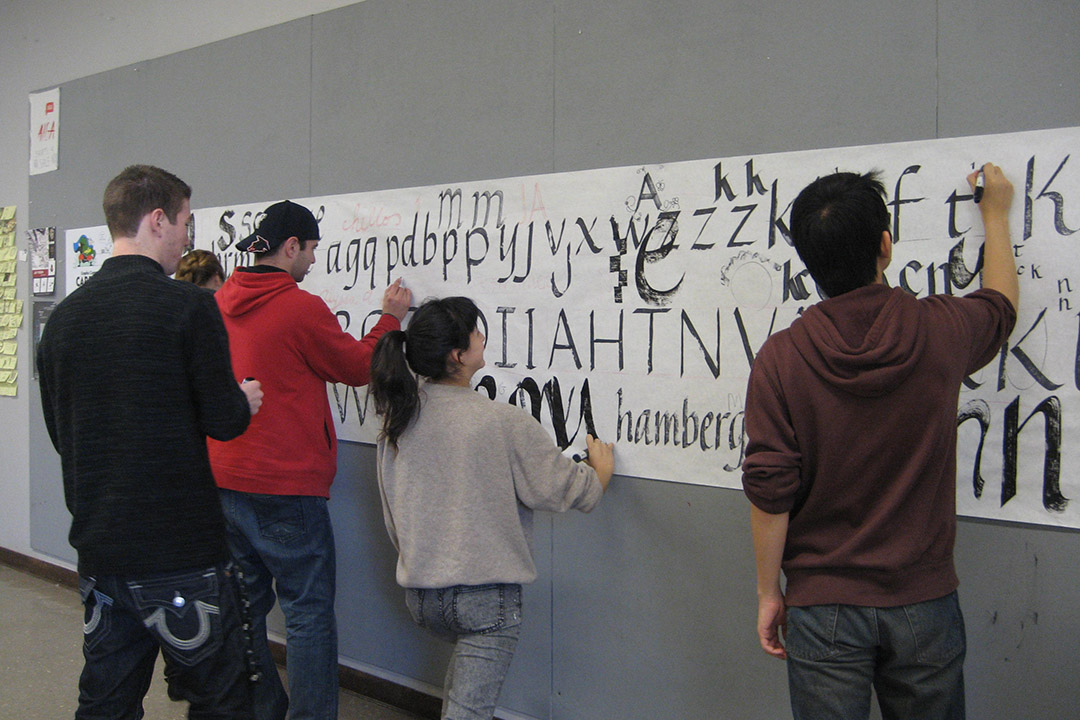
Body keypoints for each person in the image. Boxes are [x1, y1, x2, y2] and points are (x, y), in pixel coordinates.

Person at [741, 164, 1018, 720]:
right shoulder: (941, 328)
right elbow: (1001, 306)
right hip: (925, 599)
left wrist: (769, 592)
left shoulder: (780, 358)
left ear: (808, 264)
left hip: (822, 606)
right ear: (885, 246)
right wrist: (995, 215)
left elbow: (770, 494)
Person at [36, 164, 264, 718]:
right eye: (186, 222)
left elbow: (62, 434)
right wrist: (245, 399)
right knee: (222, 698)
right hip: (181, 551)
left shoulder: (62, 321)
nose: (189, 237)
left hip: (101, 549)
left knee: (107, 701)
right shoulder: (189, 308)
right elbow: (224, 419)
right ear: (157, 220)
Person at [206, 199, 411, 720]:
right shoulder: (300, 307)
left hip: (225, 477)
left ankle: (261, 708)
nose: (315, 261)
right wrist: (390, 317)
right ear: (291, 246)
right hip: (286, 486)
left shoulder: (219, 301)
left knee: (247, 608)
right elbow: (357, 366)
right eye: (313, 249)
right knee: (308, 612)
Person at [369, 296, 615, 720]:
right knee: (469, 711)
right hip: (486, 602)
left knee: (461, 698)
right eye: (476, 331)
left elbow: (394, 513)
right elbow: (565, 490)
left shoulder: (398, 419)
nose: (484, 336)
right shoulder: (503, 422)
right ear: (458, 355)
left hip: (422, 594)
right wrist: (600, 472)